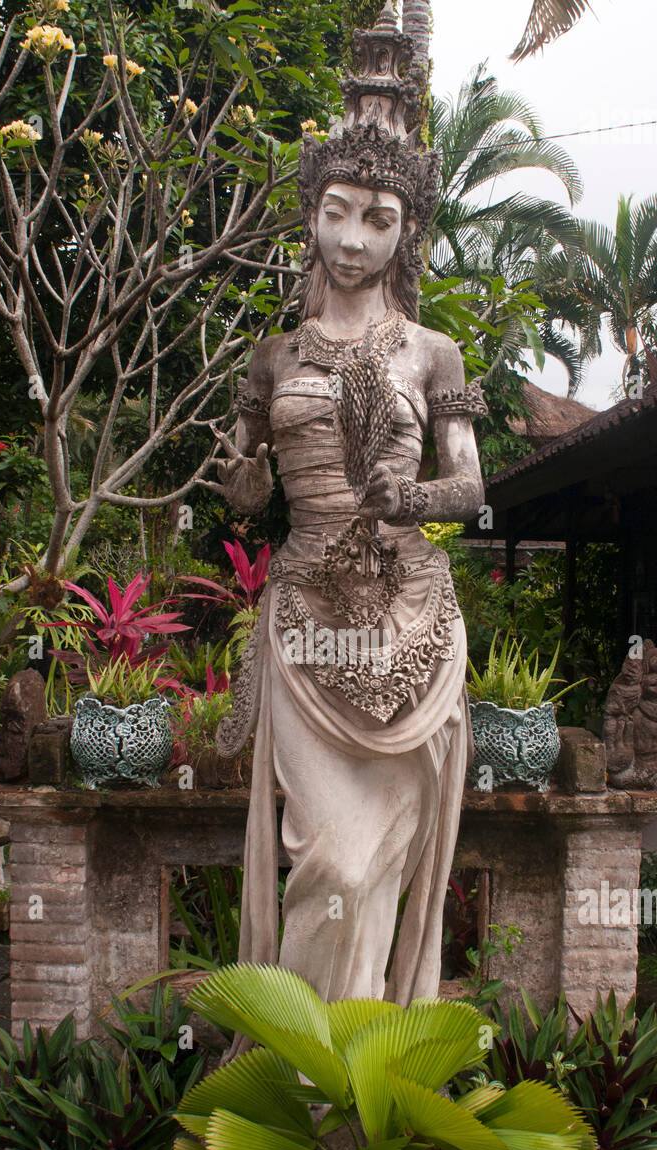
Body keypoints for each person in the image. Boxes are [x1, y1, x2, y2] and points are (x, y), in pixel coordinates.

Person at [203, 2, 486, 1012]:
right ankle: (305, 1067)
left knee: (375, 866)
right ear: (309, 210)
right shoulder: (271, 356)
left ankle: (358, 1072)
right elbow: (247, 487)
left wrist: (403, 494)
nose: (354, 237)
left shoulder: (430, 352)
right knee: (325, 854)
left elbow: (472, 487)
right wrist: (236, 482)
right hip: (305, 630)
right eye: (336, 210)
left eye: (379, 216)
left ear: (407, 228)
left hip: (405, 623)